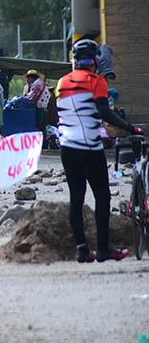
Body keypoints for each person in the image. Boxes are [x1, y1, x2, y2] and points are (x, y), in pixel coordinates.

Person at [56, 38, 142, 263]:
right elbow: (104, 112)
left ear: (76, 60)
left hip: (67, 147)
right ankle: (103, 250)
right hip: (90, 148)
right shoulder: (96, 81)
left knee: (76, 198)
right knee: (102, 197)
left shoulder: (62, 83)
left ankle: (82, 250)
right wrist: (129, 127)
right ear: (94, 61)